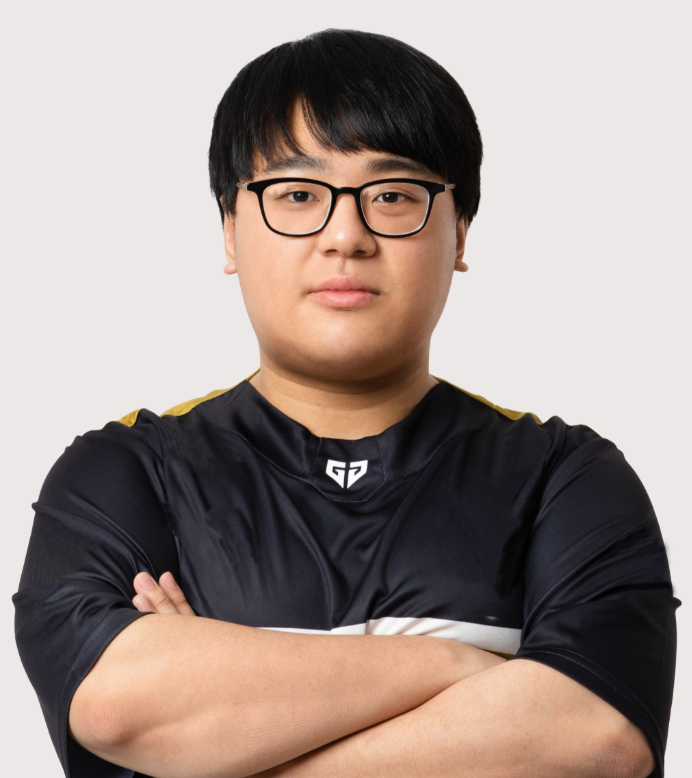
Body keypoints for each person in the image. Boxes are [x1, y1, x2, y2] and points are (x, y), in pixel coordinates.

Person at [14, 29, 677, 778]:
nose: (345, 236)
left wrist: (219, 742)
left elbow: (596, 741)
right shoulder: (128, 474)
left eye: (393, 196)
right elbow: (116, 708)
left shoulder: (565, 477)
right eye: (298, 195)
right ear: (230, 231)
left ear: (460, 231)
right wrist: (463, 666)